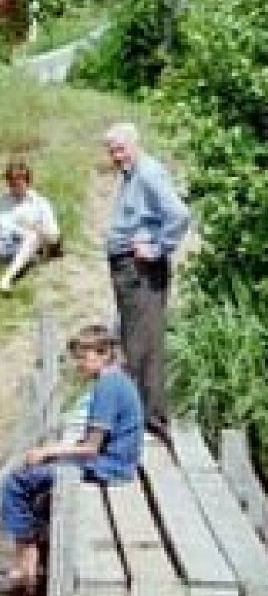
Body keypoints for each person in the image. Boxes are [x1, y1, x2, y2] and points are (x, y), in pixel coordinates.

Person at [0, 324, 142, 587]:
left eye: (83, 357)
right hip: (116, 462)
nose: (79, 364)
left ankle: (26, 559)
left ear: (104, 354)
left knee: (16, 483)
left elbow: (91, 448)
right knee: (38, 480)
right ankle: (35, 548)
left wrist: (48, 451)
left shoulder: (107, 388)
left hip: (109, 467)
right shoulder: (118, 381)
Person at [102, 122, 190, 446]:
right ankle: (140, 418)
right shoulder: (131, 174)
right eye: (111, 151)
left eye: (120, 149)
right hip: (129, 268)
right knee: (133, 341)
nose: (115, 156)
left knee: (143, 345)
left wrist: (157, 246)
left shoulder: (148, 173)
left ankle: (148, 421)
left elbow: (179, 215)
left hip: (140, 269)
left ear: (135, 144)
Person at [0, 160, 61, 295]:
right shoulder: (0, 199)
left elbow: (54, 235)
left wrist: (40, 229)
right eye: (11, 182)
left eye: (18, 181)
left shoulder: (40, 203)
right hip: (1, 243)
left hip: (25, 247)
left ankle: (6, 280)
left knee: (33, 235)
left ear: (27, 181)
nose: (14, 185)